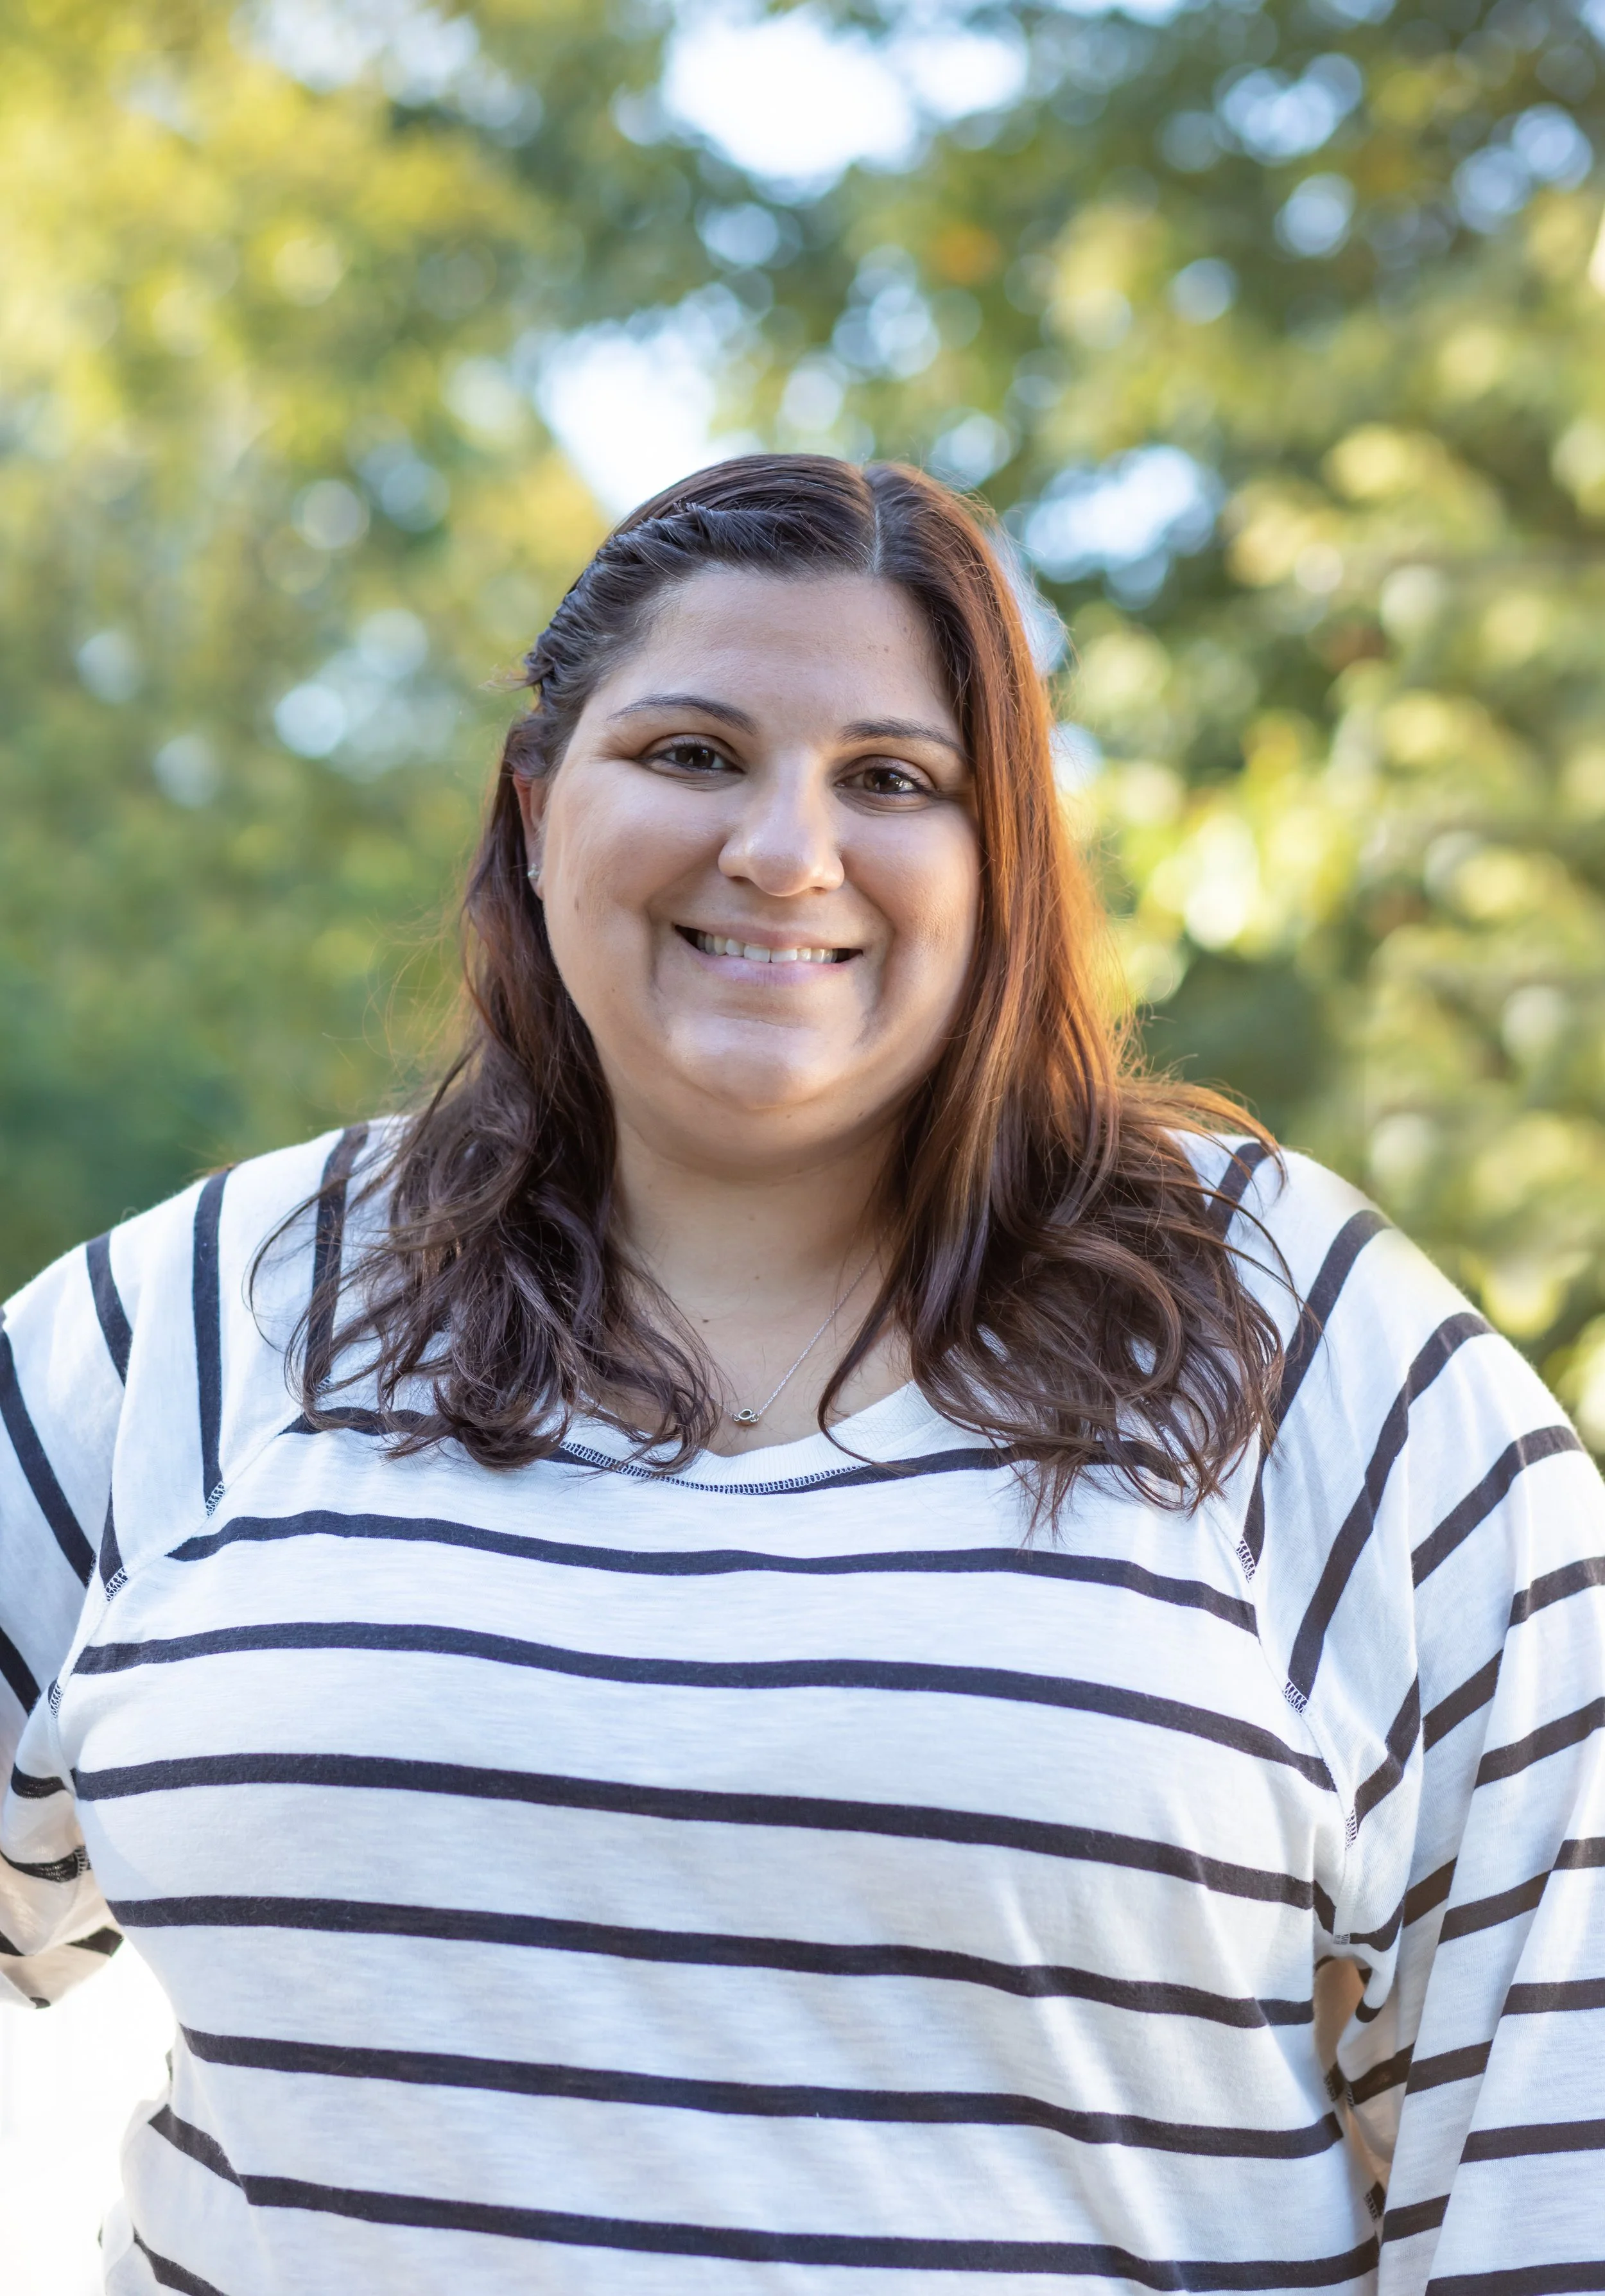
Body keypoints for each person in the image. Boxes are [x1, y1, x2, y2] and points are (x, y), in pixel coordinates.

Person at [1, 454, 1600, 2296]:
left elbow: (1557, 2128)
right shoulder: (224, 1311)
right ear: (534, 808)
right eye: (691, 754)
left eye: (892, 780)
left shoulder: (1297, 1350)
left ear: (1001, 863)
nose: (783, 849)